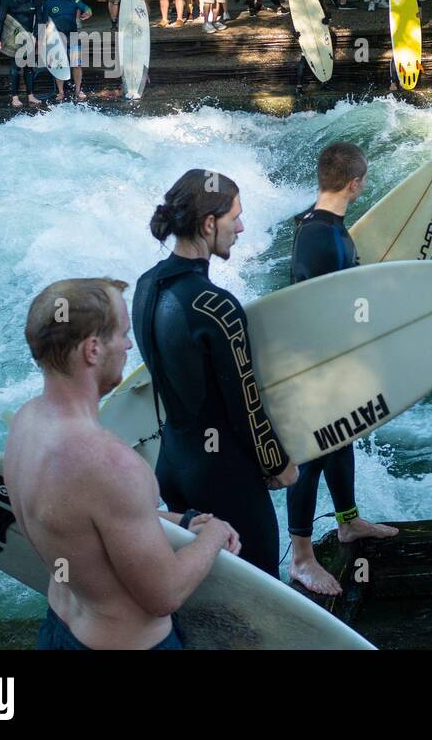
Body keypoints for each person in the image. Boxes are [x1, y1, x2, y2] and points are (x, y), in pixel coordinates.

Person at [5, 278, 240, 650]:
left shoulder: (25, 425)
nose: (130, 345)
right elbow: (165, 594)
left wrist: (183, 521)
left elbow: (85, 523)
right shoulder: (111, 464)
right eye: (123, 334)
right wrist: (213, 536)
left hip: (59, 630)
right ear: (93, 349)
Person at [132, 170, 298, 577]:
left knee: (205, 596)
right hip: (223, 477)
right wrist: (278, 464)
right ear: (209, 224)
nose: (241, 227)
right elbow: (245, 401)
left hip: (172, 465)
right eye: (234, 218)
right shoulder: (215, 307)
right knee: (260, 596)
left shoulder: (145, 286)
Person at [285, 143, 399, 594]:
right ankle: (300, 557)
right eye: (364, 181)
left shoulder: (326, 227)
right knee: (312, 453)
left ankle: (348, 522)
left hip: (333, 361)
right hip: (316, 366)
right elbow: (317, 309)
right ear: (355, 183)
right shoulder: (320, 236)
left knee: (341, 440)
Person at [0, 0, 44, 107]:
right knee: (15, 68)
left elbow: (39, 20)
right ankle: (15, 97)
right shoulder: (9, 0)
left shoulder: (36, 0)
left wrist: (37, 38)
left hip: (29, 37)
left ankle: (30, 95)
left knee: (29, 68)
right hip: (13, 38)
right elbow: (0, 20)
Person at [41, 0, 93, 101]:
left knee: (77, 64)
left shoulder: (74, 0)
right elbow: (43, 22)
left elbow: (86, 7)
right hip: (57, 39)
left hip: (73, 36)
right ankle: (61, 92)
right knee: (59, 64)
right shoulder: (49, 4)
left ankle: (78, 90)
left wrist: (88, 12)